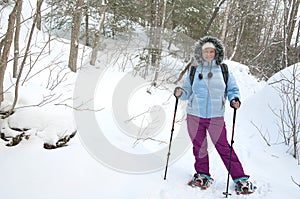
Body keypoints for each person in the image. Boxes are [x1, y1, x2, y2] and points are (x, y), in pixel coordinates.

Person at [174, 36, 253, 193]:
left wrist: (234, 99)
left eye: (212, 51)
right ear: (200, 53)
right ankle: (203, 175)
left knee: (223, 147)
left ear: (217, 53)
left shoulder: (224, 70)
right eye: (206, 51)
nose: (209, 54)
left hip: (215, 117)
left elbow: (232, 89)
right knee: (199, 147)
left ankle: (240, 178)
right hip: (194, 116)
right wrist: (179, 93)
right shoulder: (194, 70)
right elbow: (186, 92)